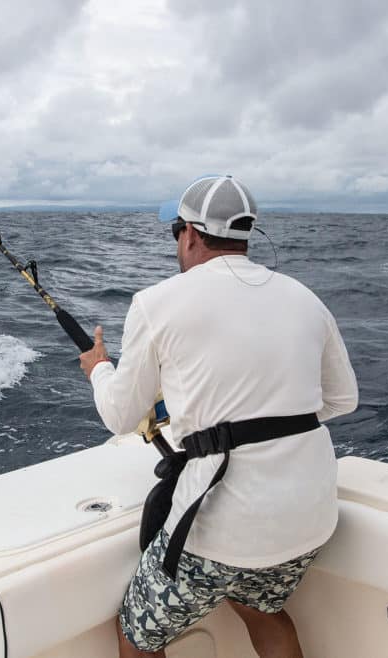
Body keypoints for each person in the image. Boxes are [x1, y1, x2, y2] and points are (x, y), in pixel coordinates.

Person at [79, 175, 358, 658]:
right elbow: (341, 401)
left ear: (189, 233)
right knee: (260, 608)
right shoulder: (305, 298)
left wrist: (99, 368)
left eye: (176, 233)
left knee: (136, 633)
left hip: (225, 528)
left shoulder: (156, 302)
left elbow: (121, 417)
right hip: (309, 517)